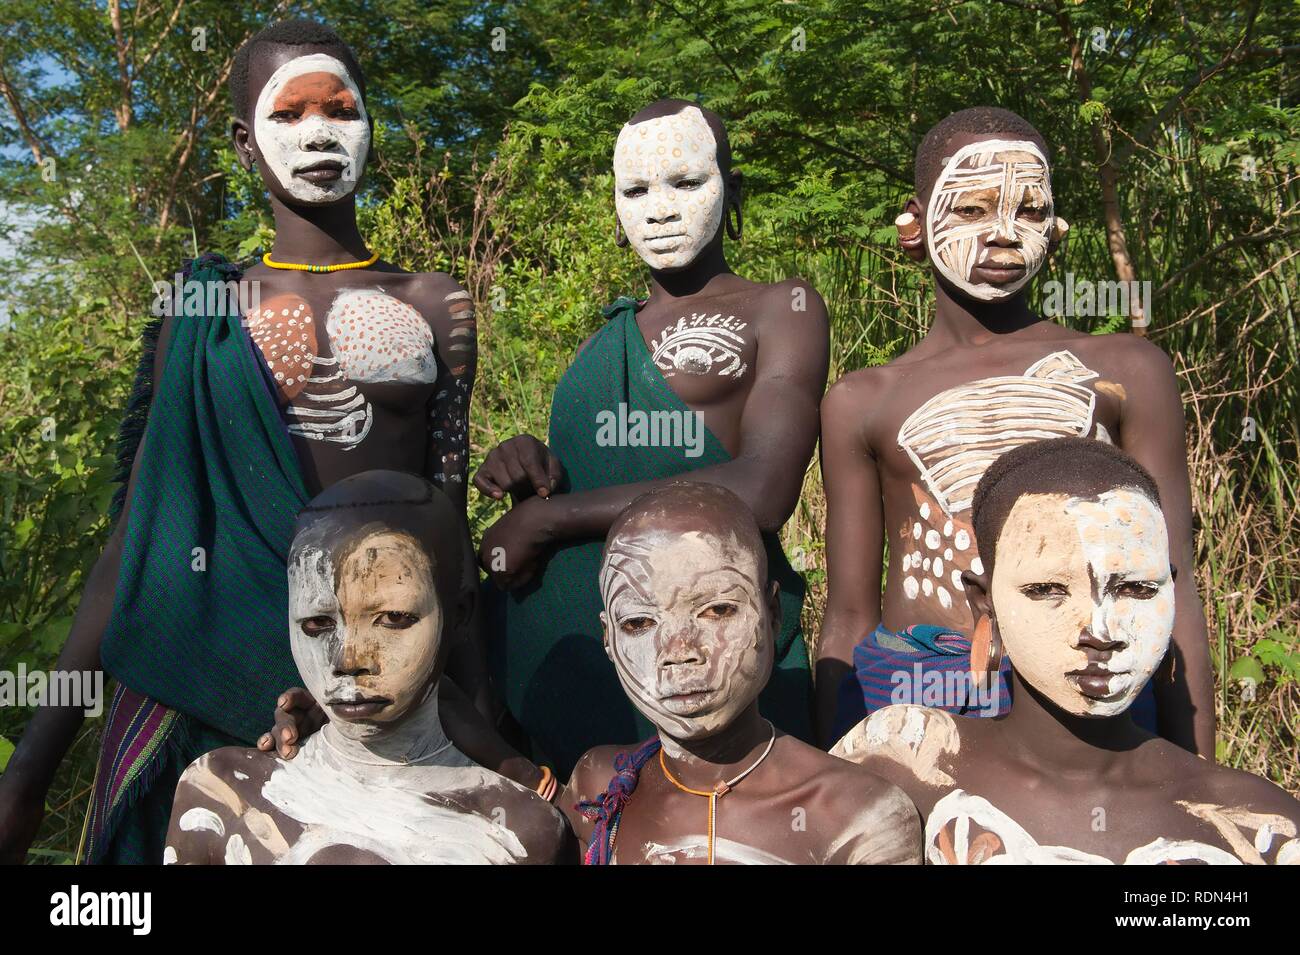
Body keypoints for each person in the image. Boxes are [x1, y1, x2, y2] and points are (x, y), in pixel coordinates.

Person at [0, 18, 480, 865]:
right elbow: (139, 543)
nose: (320, 132)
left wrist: (480, 726)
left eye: (341, 109)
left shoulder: (435, 303)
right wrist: (30, 771)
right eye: (288, 114)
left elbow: (447, 533)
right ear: (242, 142)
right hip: (200, 693)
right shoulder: (204, 310)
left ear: (372, 122)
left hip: (377, 694)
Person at [817, 107, 1213, 754]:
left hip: (1092, 681)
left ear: (1055, 232)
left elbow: (1173, 584)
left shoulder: (1123, 370)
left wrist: (1195, 778)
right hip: (918, 702)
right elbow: (849, 615)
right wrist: (833, 780)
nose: (1004, 234)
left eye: (1028, 212)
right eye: (971, 210)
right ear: (912, 226)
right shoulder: (865, 399)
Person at [475, 98, 829, 775]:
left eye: (685, 183)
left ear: (733, 187)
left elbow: (763, 489)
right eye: (635, 190)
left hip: (713, 646)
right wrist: (530, 472)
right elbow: (591, 477)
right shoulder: (606, 336)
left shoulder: (779, 307)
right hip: (583, 651)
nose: (659, 208)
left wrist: (549, 519)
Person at [832, 439, 1299, 864]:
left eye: (1136, 588)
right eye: (1048, 589)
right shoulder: (901, 760)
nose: (1099, 630)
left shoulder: (1262, 831)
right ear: (984, 603)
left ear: (1171, 593)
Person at [165, 472, 569, 865]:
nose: (348, 660)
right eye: (318, 624)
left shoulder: (519, 830)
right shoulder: (223, 793)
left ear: (458, 616)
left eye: (393, 619)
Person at [566, 483, 920, 865]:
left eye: (717, 611)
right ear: (608, 637)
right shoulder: (601, 789)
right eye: (638, 622)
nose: (679, 651)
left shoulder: (853, 817)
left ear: (772, 614)